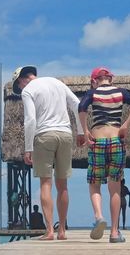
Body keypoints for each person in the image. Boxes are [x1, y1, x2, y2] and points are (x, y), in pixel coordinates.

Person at [14, 65, 85, 241]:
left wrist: (28, 147)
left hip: (44, 135)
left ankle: (49, 231)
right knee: (63, 185)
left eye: (19, 86)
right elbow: (77, 104)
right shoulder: (57, 82)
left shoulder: (28, 90)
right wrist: (82, 131)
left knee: (46, 184)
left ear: (22, 80)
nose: (21, 89)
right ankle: (61, 230)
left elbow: (30, 120)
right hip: (65, 134)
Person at [77, 67, 130, 243]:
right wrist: (126, 125)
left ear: (94, 80)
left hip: (97, 141)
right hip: (116, 141)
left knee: (94, 184)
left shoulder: (93, 93)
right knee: (115, 188)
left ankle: (99, 217)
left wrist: (85, 131)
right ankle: (114, 232)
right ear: (110, 79)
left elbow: (81, 108)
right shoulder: (120, 92)